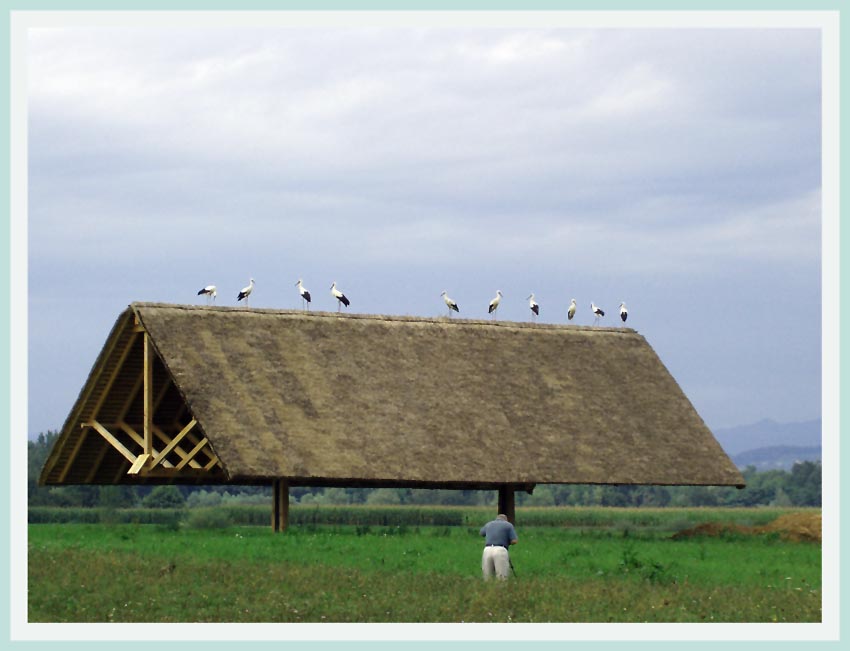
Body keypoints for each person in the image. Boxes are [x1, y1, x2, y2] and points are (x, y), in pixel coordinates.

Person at [479, 513, 518, 580]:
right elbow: (514, 541)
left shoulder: (489, 524)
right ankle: (501, 589)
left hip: (487, 550)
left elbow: (481, 533)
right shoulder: (508, 525)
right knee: (501, 577)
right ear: (506, 519)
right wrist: (507, 541)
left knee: (487, 576)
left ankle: (488, 589)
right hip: (500, 549)